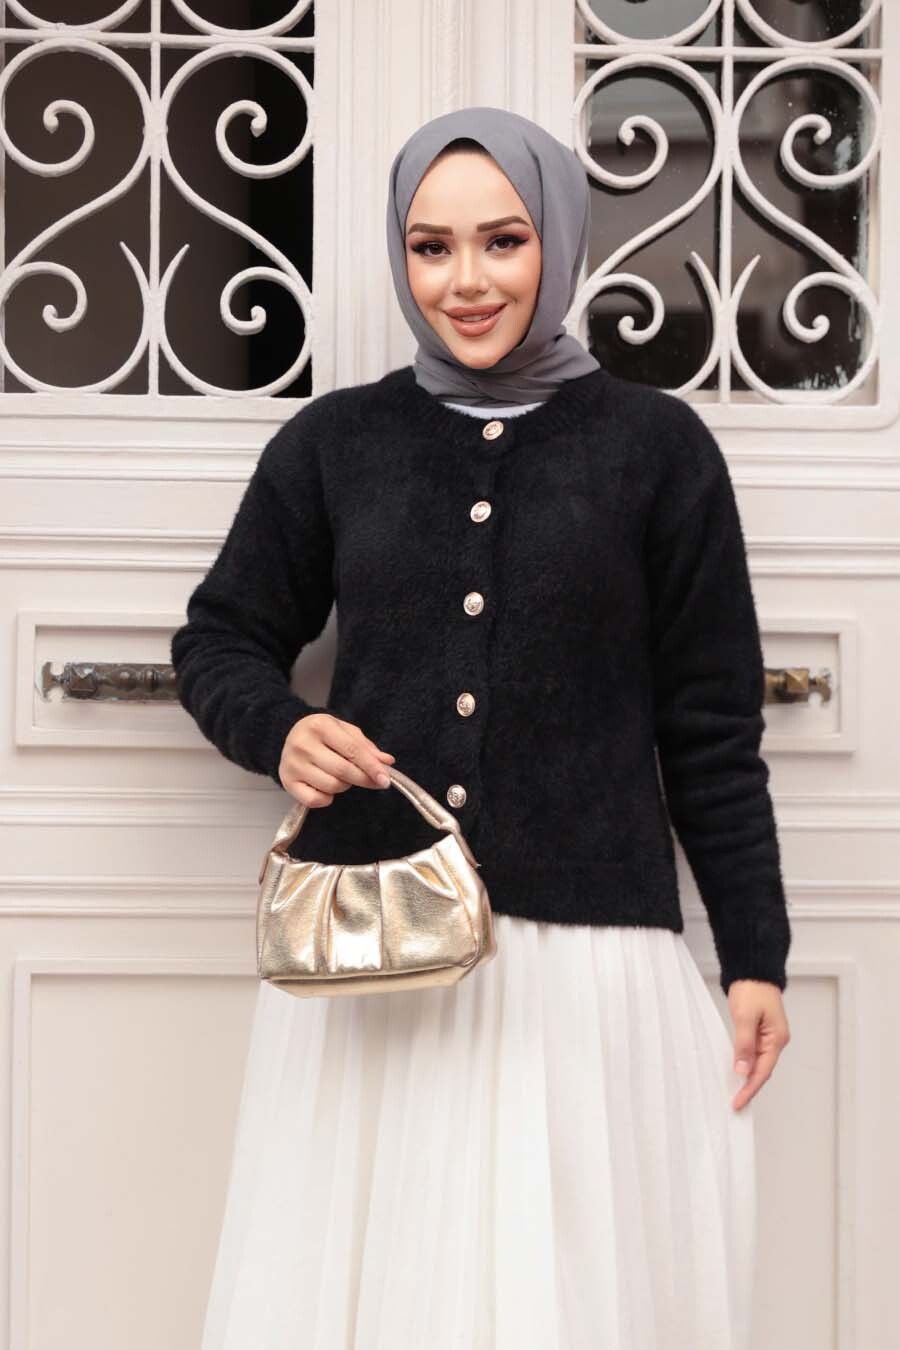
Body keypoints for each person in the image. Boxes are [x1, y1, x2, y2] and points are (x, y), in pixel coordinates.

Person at [172, 106, 792, 1349]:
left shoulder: (658, 450)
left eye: (503, 241)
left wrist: (755, 953)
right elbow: (219, 638)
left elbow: (711, 727)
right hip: (378, 957)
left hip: (585, 971)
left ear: (558, 240)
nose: (466, 281)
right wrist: (280, 730)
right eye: (431, 247)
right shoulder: (334, 444)